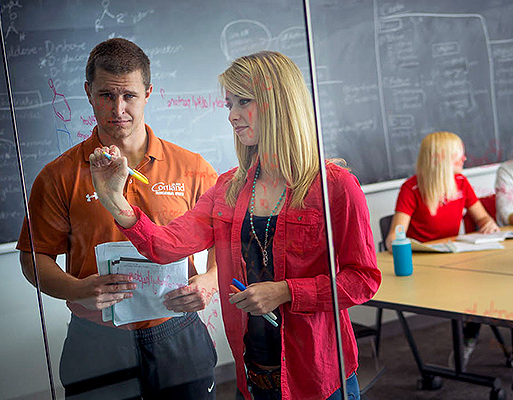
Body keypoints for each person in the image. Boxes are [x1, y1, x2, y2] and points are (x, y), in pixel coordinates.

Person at [89, 51, 381, 400]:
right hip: (254, 375)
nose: (231, 115)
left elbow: (362, 280)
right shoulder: (228, 187)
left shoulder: (335, 186)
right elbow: (164, 246)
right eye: (229, 103)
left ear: (279, 103)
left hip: (317, 377)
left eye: (243, 101)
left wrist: (286, 291)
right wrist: (114, 200)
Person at [16, 38, 219, 399]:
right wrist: (77, 289)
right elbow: (34, 258)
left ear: (148, 93)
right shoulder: (58, 176)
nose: (118, 108)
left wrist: (209, 281)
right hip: (96, 337)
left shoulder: (192, 168)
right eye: (106, 95)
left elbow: (228, 239)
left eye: (129, 96)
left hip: (176, 330)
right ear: (88, 93)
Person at [384, 131, 500, 369]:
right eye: (459, 154)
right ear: (443, 158)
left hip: (453, 263)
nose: (465, 159)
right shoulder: (411, 188)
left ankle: (469, 337)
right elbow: (394, 238)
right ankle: (467, 342)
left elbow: (484, 220)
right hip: (423, 269)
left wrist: (488, 225)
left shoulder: (461, 183)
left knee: (491, 283)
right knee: (479, 289)